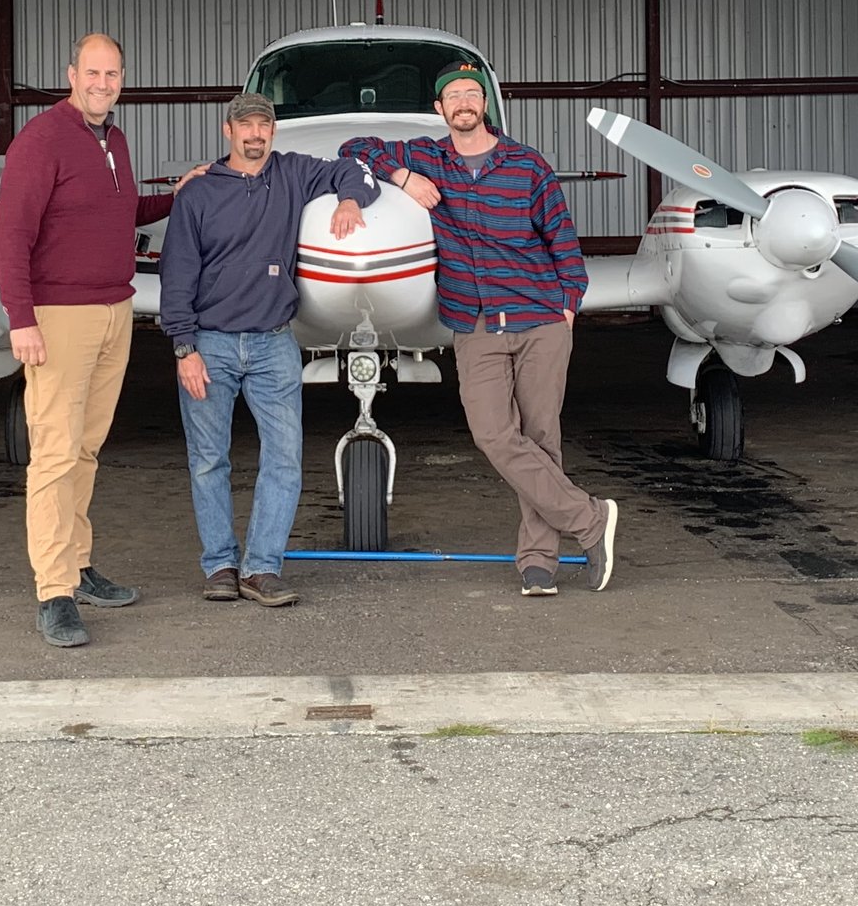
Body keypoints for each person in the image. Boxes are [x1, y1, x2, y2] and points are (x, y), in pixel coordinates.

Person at [341, 64, 619, 596]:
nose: (464, 102)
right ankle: (589, 520)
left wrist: (568, 303)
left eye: (473, 94)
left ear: (485, 105)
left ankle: (537, 559)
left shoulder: (526, 164)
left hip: (540, 316)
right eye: (453, 96)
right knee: (493, 433)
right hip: (476, 322)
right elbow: (355, 146)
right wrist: (402, 177)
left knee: (541, 438)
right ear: (440, 110)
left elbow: (561, 235)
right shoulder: (427, 157)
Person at [0, 32, 179, 649]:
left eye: (113, 73)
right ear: (71, 73)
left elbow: (122, 213)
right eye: (93, 72)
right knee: (54, 451)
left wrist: (180, 194)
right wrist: (21, 319)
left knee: (87, 448)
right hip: (58, 316)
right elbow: (10, 237)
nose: (103, 83)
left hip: (114, 311)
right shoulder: (41, 141)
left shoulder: (114, 140)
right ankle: (54, 591)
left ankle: (77, 564)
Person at [161, 93, 377, 606]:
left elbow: (356, 170)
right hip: (208, 344)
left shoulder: (293, 173)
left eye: (263, 125)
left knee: (284, 459)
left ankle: (261, 567)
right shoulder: (199, 194)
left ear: (273, 132)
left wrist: (349, 200)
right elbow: (176, 275)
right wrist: (183, 346)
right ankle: (219, 564)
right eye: (245, 126)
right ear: (227, 131)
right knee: (208, 460)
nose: (255, 134)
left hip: (273, 342)